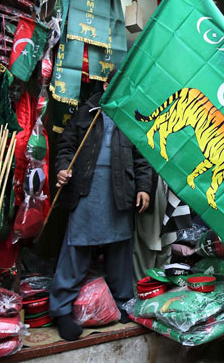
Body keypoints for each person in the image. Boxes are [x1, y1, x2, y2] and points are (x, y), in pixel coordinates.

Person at [50, 69, 153, 341]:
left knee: (120, 247)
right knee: (78, 245)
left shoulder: (131, 113)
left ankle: (121, 303)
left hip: (120, 188)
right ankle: (61, 310)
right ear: (107, 84)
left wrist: (144, 188)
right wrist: (62, 168)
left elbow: (142, 154)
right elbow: (66, 147)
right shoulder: (88, 109)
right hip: (87, 187)